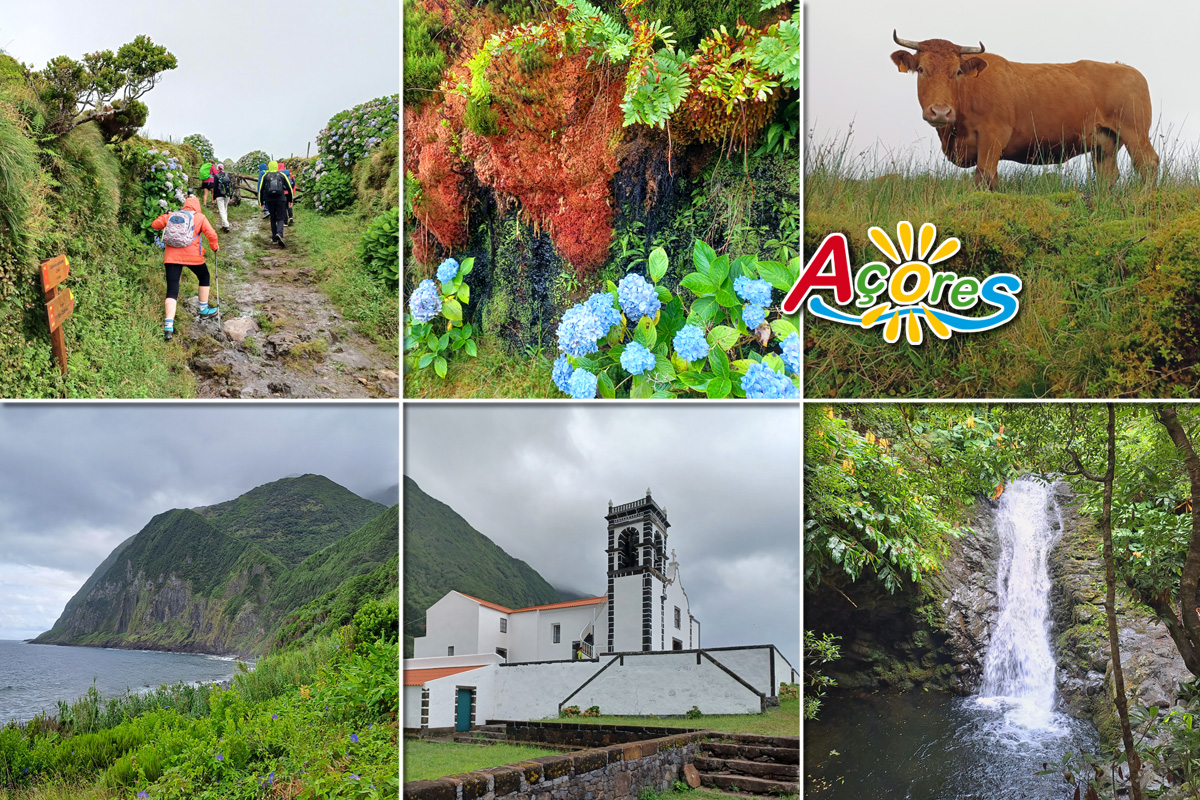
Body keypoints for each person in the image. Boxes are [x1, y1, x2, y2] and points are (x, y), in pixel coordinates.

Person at [151, 194, 219, 341]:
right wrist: (215, 247)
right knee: (204, 276)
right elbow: (211, 234)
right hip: (193, 256)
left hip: (171, 257)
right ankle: (203, 309)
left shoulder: (173, 215)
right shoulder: (200, 217)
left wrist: (166, 215)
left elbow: (155, 225)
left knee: (172, 289)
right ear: (197, 206)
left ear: (184, 206)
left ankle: (168, 326)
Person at [258, 161, 292, 246]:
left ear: (269, 166)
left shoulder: (265, 176)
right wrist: (290, 200)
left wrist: (261, 202)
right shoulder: (282, 175)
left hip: (270, 200)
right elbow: (289, 188)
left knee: (273, 218)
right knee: (281, 217)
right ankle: (279, 234)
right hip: (280, 199)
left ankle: (274, 238)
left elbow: (261, 190)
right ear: (276, 166)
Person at [211, 163, 232, 232]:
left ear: (217, 169)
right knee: (225, 210)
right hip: (227, 195)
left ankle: (226, 225)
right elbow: (231, 186)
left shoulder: (216, 176)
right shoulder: (227, 175)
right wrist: (231, 196)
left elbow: (215, 187)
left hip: (219, 195)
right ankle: (224, 225)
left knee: (222, 210)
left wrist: (214, 197)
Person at [277, 160, 295, 226]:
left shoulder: (278, 174)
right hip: (288, 192)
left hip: (282, 193)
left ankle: (285, 222)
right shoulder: (288, 173)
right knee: (289, 205)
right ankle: (291, 217)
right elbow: (293, 183)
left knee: (283, 207)